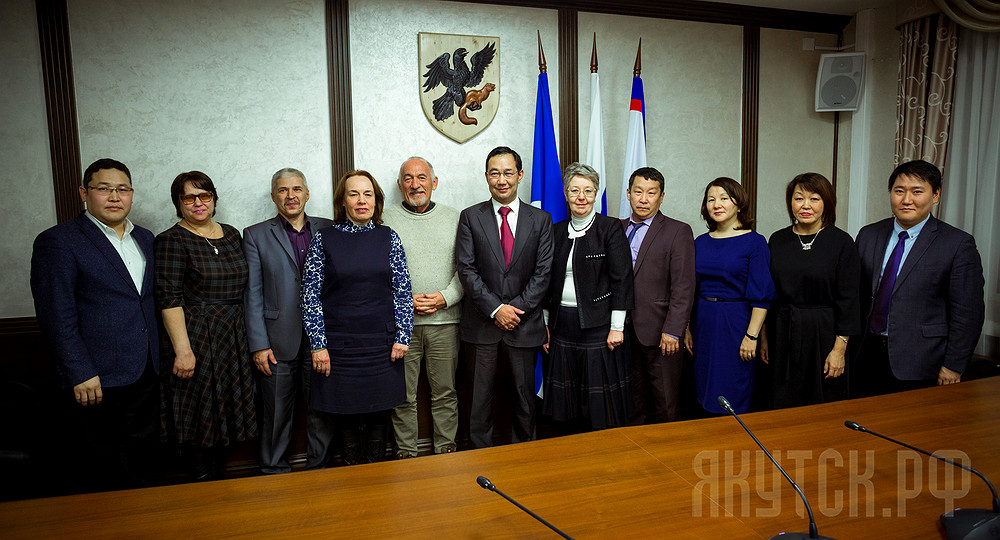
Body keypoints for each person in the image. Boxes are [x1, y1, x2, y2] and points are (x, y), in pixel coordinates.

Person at [30, 158, 160, 492]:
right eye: (104, 188)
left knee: (142, 458)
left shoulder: (146, 238)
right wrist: (79, 371)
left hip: (145, 367)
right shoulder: (59, 241)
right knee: (101, 465)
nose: (115, 196)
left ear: (131, 194)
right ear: (84, 193)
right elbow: (55, 314)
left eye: (122, 189)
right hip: (95, 376)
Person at [301, 170, 413, 466]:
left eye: (368, 194)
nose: (362, 200)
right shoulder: (324, 239)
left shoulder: (389, 237)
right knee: (345, 416)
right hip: (339, 348)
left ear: (376, 201)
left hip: (383, 346)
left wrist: (403, 336)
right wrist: (318, 345)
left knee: (380, 414)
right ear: (343, 201)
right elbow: (310, 296)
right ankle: (353, 478)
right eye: (354, 194)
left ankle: (375, 476)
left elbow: (403, 291)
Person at [155, 171, 257, 481]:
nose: (198, 203)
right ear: (178, 203)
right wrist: (182, 351)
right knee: (199, 414)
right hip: (196, 336)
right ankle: (201, 484)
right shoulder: (171, 240)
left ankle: (218, 485)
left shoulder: (231, 234)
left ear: (214, 199)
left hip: (233, 335)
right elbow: (169, 298)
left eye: (204, 195)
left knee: (223, 410)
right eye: (189, 197)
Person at [853, 160, 984, 396]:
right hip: (866, 353)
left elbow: (968, 312)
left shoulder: (957, 244)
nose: (906, 200)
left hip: (922, 361)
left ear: (935, 195)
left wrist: (954, 365)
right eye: (899, 191)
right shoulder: (868, 235)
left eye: (917, 192)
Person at [457, 146, 553, 448]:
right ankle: (479, 460)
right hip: (482, 326)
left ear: (520, 175)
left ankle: (525, 457)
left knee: (524, 401)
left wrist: (514, 310)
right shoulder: (470, 217)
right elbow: (466, 269)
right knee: (478, 402)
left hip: (524, 326)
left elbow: (543, 273)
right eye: (495, 173)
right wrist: (496, 309)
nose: (502, 180)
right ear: (486, 176)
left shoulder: (541, 219)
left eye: (508, 173)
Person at [243, 168, 333, 474]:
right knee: (277, 414)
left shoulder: (328, 228)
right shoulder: (255, 235)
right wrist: (258, 345)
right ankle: (273, 471)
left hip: (322, 339)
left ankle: (319, 471)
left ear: (307, 194)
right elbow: (253, 293)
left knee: (321, 410)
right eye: (283, 190)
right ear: (273, 197)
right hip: (277, 340)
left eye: (296, 189)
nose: (290, 196)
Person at [541, 162, 634, 431]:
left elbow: (622, 279)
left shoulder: (610, 228)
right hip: (561, 326)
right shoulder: (556, 231)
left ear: (596, 194)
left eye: (588, 191)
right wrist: (545, 323)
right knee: (566, 401)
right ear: (566, 194)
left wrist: (617, 327)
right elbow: (547, 283)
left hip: (599, 327)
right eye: (574, 190)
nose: (581, 197)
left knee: (599, 403)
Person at [384, 157, 463, 458]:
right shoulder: (385, 219)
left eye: (422, 177)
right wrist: (403, 302)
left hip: (446, 323)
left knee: (445, 393)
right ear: (399, 185)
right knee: (403, 396)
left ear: (434, 182)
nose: (415, 184)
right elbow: (377, 271)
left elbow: (467, 268)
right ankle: (406, 454)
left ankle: (446, 452)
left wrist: (445, 297)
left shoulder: (455, 218)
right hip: (402, 328)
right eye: (408, 178)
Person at [761, 173, 861, 408]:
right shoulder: (777, 240)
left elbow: (849, 299)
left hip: (824, 333)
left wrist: (839, 350)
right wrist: (764, 338)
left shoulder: (841, 242)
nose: (805, 205)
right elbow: (767, 293)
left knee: (822, 400)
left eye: (814, 199)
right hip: (782, 331)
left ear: (826, 203)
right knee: (782, 400)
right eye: (799, 198)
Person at [684, 177, 774, 415]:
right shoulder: (700, 242)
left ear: (739, 204)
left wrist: (751, 337)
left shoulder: (755, 242)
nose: (717, 204)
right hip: (704, 323)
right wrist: (687, 328)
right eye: (711, 199)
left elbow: (762, 297)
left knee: (733, 387)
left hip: (736, 323)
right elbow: (690, 289)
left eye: (724, 198)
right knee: (704, 386)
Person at [622, 167, 695, 424]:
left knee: (665, 401)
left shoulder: (678, 231)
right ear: (628, 193)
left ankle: (669, 446)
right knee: (632, 402)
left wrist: (674, 330)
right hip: (622, 332)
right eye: (638, 192)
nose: (644, 199)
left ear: (661, 197)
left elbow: (684, 286)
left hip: (660, 331)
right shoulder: (617, 228)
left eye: (651, 193)